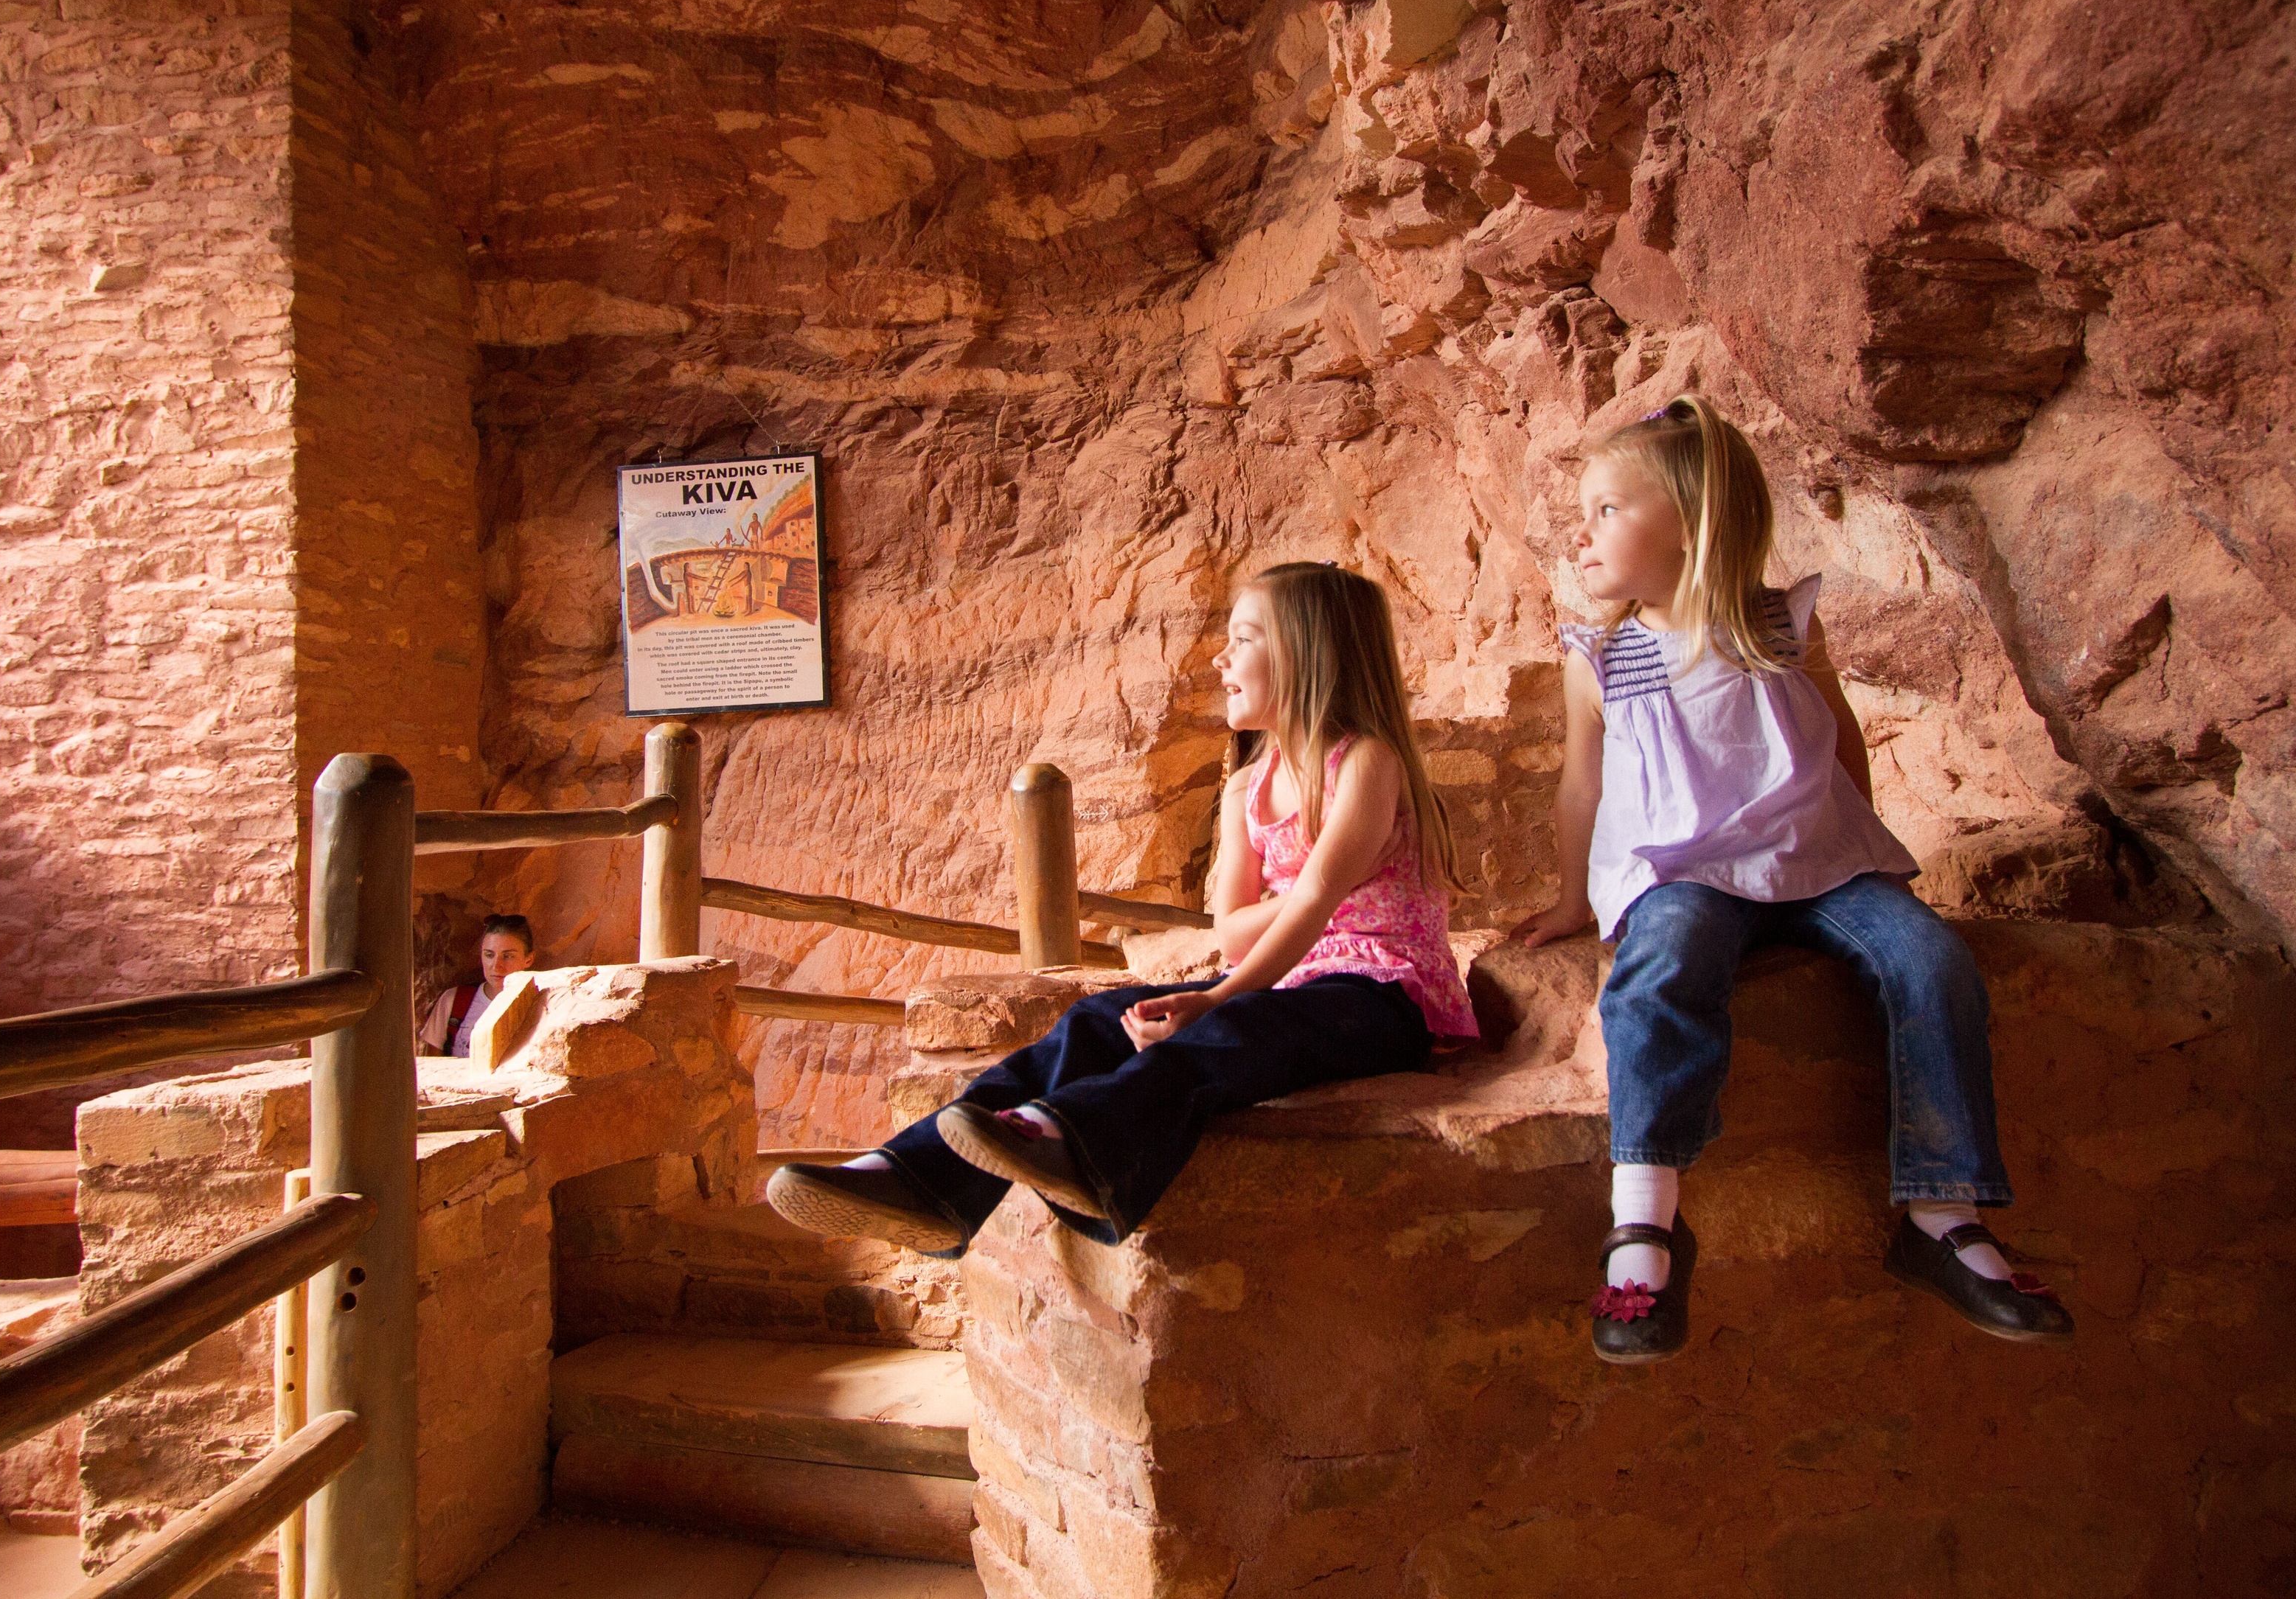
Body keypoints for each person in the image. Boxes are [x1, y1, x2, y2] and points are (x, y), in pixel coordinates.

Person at [1513, 394, 2073, 1362]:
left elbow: (1835, 738)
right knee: (1664, 960)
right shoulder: (1605, 657)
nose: (1582, 529)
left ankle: (1942, 1215)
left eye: (1608, 508)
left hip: (1818, 866)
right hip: (1685, 870)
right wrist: (1576, 896)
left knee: (1929, 960)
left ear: (1691, 520)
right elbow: (1582, 783)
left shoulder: (1779, 627)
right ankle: (1646, 1217)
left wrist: (1867, 850)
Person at [765, 562, 1481, 1254]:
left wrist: (1226, 991)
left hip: (1385, 996)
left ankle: (1077, 1142)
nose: (1219, 657)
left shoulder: (1365, 762)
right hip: (1286, 981)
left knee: (1229, 1030)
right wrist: (1280, 934)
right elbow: (1233, 928)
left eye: (1243, 638)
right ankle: (918, 1178)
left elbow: (1317, 898)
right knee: (1096, 1020)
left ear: (1308, 651)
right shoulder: (1247, 789)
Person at [417, 914, 538, 1058]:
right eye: (489, 955)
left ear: (528, 959)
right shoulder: (455, 1001)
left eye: (508, 956)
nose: (496, 966)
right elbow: (433, 1065)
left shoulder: (541, 1004)